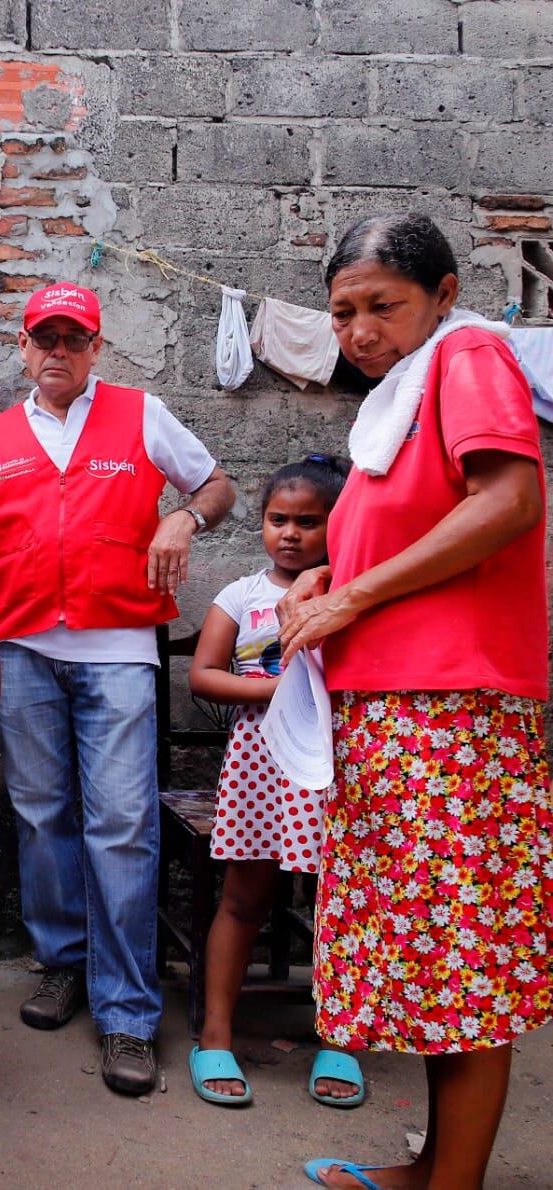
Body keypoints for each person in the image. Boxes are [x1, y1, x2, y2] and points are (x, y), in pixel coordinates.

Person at [278, 213, 551, 1190]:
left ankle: (453, 1184)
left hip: (452, 717)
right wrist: (323, 579)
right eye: (342, 310)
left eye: (381, 305)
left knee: (460, 963)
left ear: (440, 294)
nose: (358, 329)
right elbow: (396, 546)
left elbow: (507, 499)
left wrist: (351, 590)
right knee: (435, 960)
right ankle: (440, 1164)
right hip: (397, 716)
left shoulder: (467, 353)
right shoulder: (394, 405)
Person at [0, 280, 236, 1096]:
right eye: (43, 338)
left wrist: (183, 518)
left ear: (94, 348)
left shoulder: (141, 414)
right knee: (45, 816)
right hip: (22, 648)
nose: (57, 351)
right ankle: (62, 964)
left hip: (117, 650)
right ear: (22, 348)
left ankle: (128, 1013)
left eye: (71, 339)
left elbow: (215, 485)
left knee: (120, 822)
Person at [186, 454, 364, 1109]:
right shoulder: (242, 596)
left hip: (337, 770)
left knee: (341, 904)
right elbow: (203, 674)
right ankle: (214, 1035)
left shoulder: (355, 592)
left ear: (339, 525)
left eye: (308, 522)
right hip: (261, 767)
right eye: (277, 519)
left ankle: (342, 1039)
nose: (289, 533)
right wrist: (271, 686)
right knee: (243, 898)